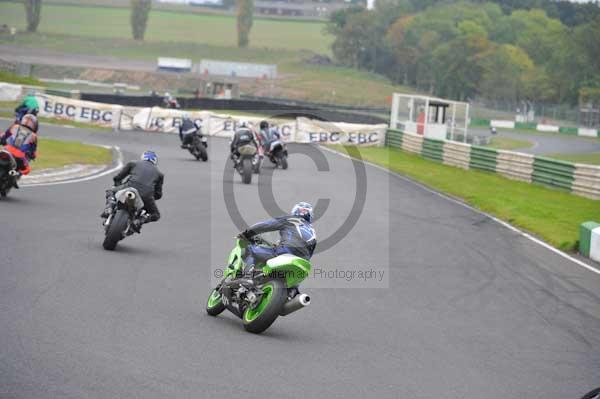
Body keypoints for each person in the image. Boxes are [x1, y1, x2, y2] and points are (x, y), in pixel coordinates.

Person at [238, 202, 317, 274]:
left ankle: (248, 275)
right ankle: (292, 289)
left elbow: (265, 225)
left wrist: (247, 233)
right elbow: (310, 252)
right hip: (303, 260)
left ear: (295, 211)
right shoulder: (312, 231)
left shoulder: (290, 219)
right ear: (310, 215)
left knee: (249, 250)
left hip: (286, 250)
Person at [101, 151, 164, 232]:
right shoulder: (159, 174)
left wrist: (118, 186)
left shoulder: (133, 163)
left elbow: (117, 178)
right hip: (146, 195)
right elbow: (158, 194)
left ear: (143, 157)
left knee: (110, 191)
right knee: (156, 214)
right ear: (155, 161)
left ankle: (109, 207)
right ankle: (140, 220)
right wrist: (150, 197)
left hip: (129, 187)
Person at [0, 114, 39, 187]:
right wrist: (32, 155)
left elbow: (4, 136)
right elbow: (33, 150)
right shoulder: (34, 136)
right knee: (27, 170)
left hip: (7, 150)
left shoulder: (14, 126)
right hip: (20, 155)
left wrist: (2, 141)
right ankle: (14, 176)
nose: (27, 123)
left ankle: (12, 176)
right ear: (35, 126)